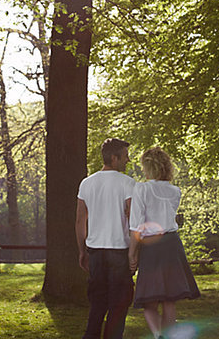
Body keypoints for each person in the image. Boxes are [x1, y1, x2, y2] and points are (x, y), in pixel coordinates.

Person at [129, 147, 200, 339]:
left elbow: (136, 225)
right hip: (171, 244)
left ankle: (158, 334)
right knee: (169, 299)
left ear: (148, 167)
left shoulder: (141, 188)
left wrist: (132, 253)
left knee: (149, 301)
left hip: (152, 246)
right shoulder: (174, 191)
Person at [75, 138, 136, 339]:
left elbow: (80, 221)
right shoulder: (128, 183)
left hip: (95, 252)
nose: (128, 160)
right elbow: (133, 218)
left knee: (97, 305)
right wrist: (135, 254)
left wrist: (82, 251)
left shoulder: (87, 183)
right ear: (114, 157)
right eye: (125, 156)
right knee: (119, 305)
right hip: (119, 252)